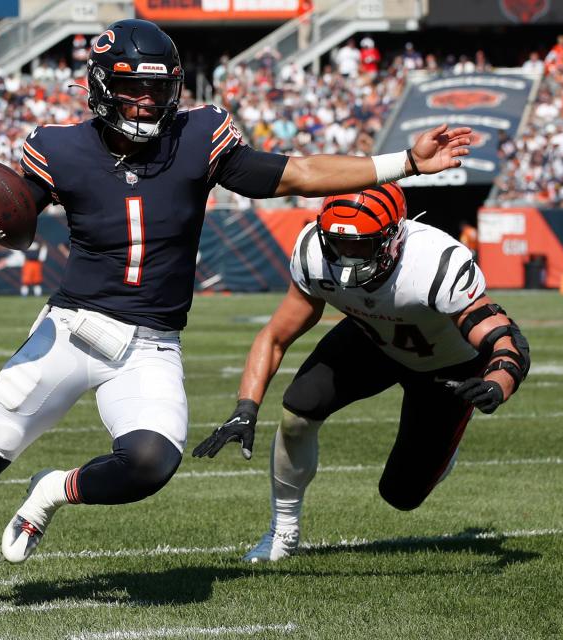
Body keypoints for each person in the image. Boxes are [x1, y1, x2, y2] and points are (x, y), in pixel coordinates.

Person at [0, 19, 471, 614]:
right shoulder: (55, 146)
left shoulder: (199, 135)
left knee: (151, 463)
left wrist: (408, 164)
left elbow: (297, 173)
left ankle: (55, 489)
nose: (146, 102)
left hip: (150, 344)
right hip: (71, 331)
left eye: (159, 89)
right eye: (134, 89)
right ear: (101, 88)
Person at [193, 185, 530, 562]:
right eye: (338, 243)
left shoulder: (434, 262)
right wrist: (246, 407)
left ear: (394, 237)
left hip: (446, 366)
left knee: (401, 494)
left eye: (362, 245)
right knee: (298, 412)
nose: (347, 257)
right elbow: (274, 337)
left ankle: (442, 452)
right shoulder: (313, 253)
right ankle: (281, 531)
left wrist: (497, 384)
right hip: (371, 339)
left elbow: (505, 341)